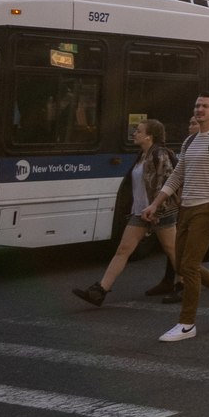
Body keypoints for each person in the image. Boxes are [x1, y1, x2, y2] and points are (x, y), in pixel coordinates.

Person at [143, 94, 209, 343]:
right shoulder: (190, 141)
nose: (199, 109)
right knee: (182, 264)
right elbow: (177, 176)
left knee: (187, 266)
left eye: (205, 106)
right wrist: (155, 203)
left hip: (207, 207)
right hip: (185, 207)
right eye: (197, 105)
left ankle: (187, 324)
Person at [73, 119, 177, 306]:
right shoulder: (142, 155)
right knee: (123, 250)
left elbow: (167, 184)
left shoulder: (159, 154)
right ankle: (100, 291)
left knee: (173, 251)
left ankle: (188, 285)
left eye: (138, 131)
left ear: (149, 136)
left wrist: (155, 207)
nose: (134, 134)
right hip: (140, 212)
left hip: (159, 212)